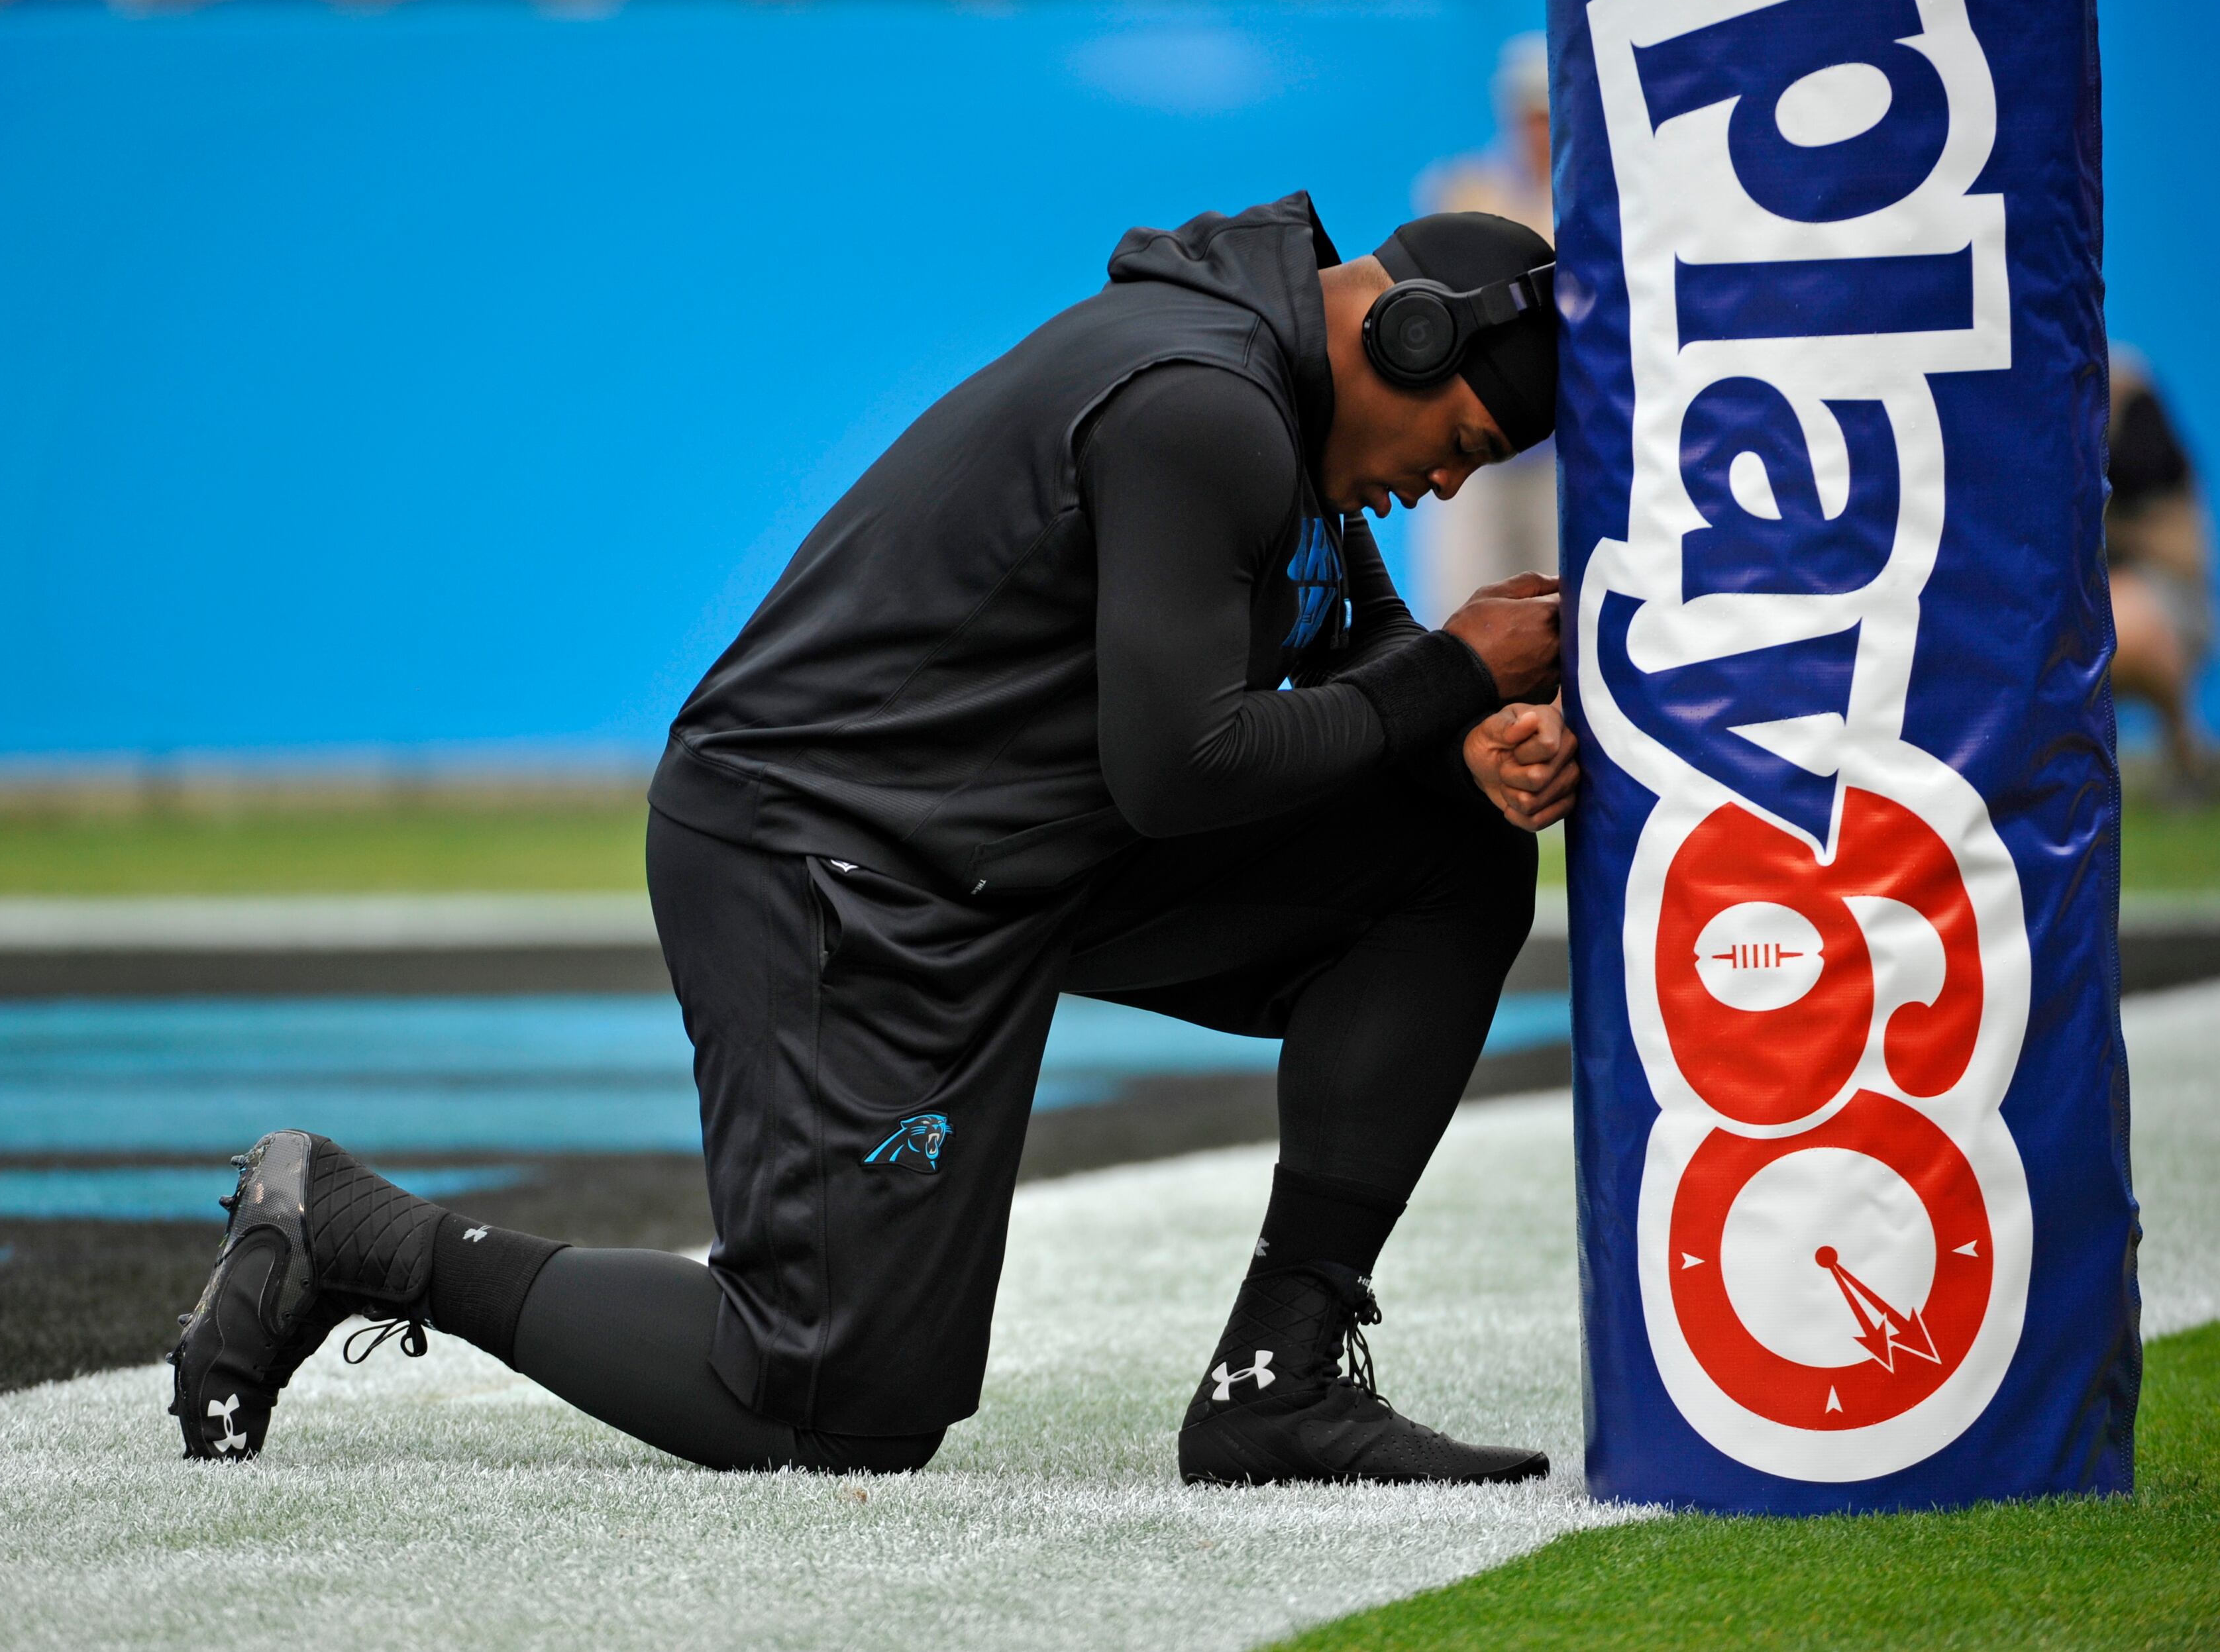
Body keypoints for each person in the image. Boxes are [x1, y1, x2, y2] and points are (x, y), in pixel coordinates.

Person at [167, 193, 1580, 1488]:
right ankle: (356, 1231)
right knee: (828, 1402)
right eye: (1457, 444)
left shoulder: (1271, 393)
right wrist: (1452, 680)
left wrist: (1447, 729)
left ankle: (1280, 1376)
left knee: (1442, 851)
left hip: (1007, 843)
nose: (1445, 488)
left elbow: (1356, 636)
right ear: (1403, 336)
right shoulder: (1206, 408)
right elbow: (1186, 763)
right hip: (832, 852)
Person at [1410, 32, 1560, 621]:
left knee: (1560, 599)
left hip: (1558, 445)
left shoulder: (1598, 195)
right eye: (1531, 118)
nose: (1540, 133)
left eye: (1550, 117)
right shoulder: (1465, 190)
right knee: (1461, 599)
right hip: (1471, 438)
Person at [2105, 351, 2213, 787]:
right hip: (2108, 602)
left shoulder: (2127, 386)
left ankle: (2185, 751)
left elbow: (2186, 557)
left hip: (2162, 608)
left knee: (2121, 616)